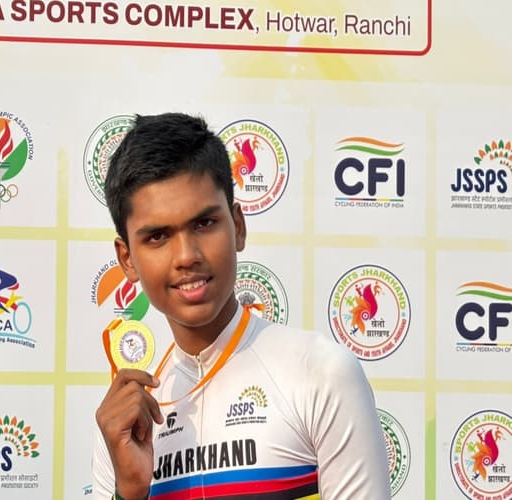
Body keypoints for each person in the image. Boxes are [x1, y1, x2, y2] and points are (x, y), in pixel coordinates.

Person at [92, 113, 390, 500]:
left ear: (238, 227)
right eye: (158, 236)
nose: (186, 256)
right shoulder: (124, 425)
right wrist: (130, 493)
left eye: (204, 224)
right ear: (127, 258)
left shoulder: (321, 373)